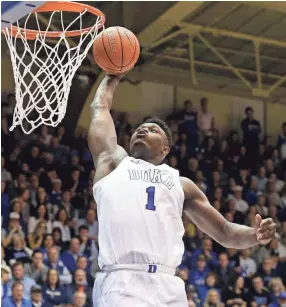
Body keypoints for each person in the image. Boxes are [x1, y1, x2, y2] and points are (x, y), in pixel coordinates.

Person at [89, 73, 276, 307]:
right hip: (122, 281)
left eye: (153, 130)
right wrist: (113, 75)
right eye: (140, 129)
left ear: (165, 149)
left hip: (168, 286)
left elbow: (226, 232)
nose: (143, 130)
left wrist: (255, 235)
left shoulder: (181, 184)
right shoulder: (113, 163)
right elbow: (100, 107)